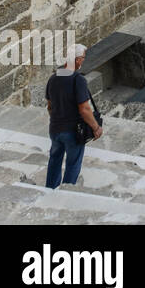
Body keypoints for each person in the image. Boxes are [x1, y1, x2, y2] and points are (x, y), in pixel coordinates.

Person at [45, 44, 102, 189]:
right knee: (73, 163)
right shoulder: (78, 80)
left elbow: (50, 106)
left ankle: (50, 189)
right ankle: (66, 192)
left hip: (55, 128)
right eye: (82, 58)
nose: (83, 61)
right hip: (72, 130)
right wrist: (96, 127)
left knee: (54, 161)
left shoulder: (53, 78)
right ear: (76, 60)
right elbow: (84, 109)